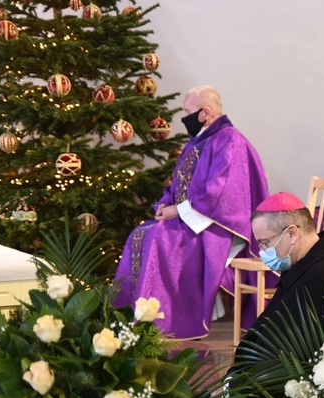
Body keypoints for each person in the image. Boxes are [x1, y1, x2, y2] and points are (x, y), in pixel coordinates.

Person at [113, 86, 269, 340]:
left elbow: (220, 195)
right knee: (142, 232)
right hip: (192, 219)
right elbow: (178, 186)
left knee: (157, 239)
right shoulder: (201, 140)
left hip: (215, 227)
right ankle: (130, 317)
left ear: (205, 112)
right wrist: (165, 206)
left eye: (187, 112)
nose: (184, 117)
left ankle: (161, 322)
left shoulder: (229, 141)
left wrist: (179, 211)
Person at [233, 192, 324, 364]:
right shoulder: (304, 263)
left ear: (292, 234)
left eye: (264, 242)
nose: (262, 252)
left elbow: (291, 350)